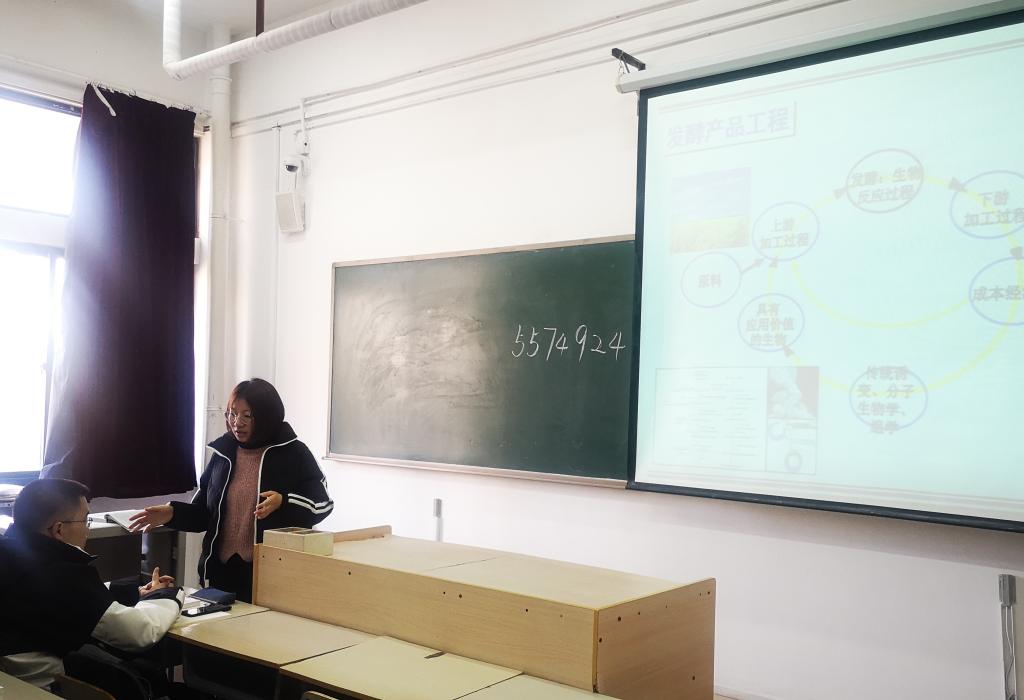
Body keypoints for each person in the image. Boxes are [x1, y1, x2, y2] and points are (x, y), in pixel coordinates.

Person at [129, 378, 333, 602]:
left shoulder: (294, 453)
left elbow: (322, 504)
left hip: (272, 574)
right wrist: (172, 513)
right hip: (221, 573)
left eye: (247, 415)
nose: (237, 423)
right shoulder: (223, 454)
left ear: (267, 416)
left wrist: (283, 502)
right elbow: (204, 514)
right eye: (232, 414)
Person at [0, 478, 183, 689]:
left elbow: (66, 601)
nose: (87, 529)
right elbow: (139, 633)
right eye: (85, 519)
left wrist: (135, 594)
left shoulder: (11, 552)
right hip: (46, 688)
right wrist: (165, 595)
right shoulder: (63, 572)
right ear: (59, 529)